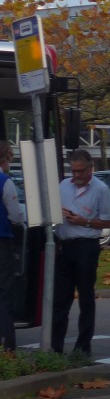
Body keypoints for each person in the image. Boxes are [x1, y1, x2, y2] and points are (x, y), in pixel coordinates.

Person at [51, 149, 110, 357]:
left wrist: (84, 221)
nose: (76, 175)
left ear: (90, 169)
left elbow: (108, 222)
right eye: (73, 171)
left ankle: (83, 347)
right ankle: (55, 347)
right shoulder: (63, 185)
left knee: (86, 296)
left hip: (86, 246)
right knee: (60, 298)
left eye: (80, 171)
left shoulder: (100, 189)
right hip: (64, 245)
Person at [0, 141, 26, 352]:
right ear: (5, 159)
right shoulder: (5, 182)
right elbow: (16, 216)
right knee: (4, 293)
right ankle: (7, 345)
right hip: (2, 244)